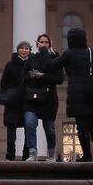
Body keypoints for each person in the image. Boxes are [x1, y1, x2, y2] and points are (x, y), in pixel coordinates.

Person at [46, 27, 93, 162]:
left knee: (81, 126)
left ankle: (87, 155)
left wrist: (49, 54)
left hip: (77, 95)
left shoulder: (69, 54)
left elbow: (52, 65)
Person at [24, 33, 64, 161]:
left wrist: (44, 76)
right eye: (41, 42)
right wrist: (31, 76)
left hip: (49, 99)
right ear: (36, 44)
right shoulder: (31, 58)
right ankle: (32, 152)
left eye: (46, 42)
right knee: (30, 123)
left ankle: (51, 152)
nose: (43, 44)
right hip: (32, 98)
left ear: (50, 44)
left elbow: (59, 79)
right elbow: (23, 77)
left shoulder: (55, 58)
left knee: (49, 129)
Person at [0, 41, 31, 160]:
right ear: (18, 50)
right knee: (11, 128)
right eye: (22, 48)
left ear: (30, 51)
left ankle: (26, 154)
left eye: (26, 48)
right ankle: (10, 152)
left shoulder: (32, 64)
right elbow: (3, 83)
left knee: (29, 127)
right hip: (13, 102)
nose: (24, 50)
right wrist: (12, 92)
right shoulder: (10, 65)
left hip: (27, 101)